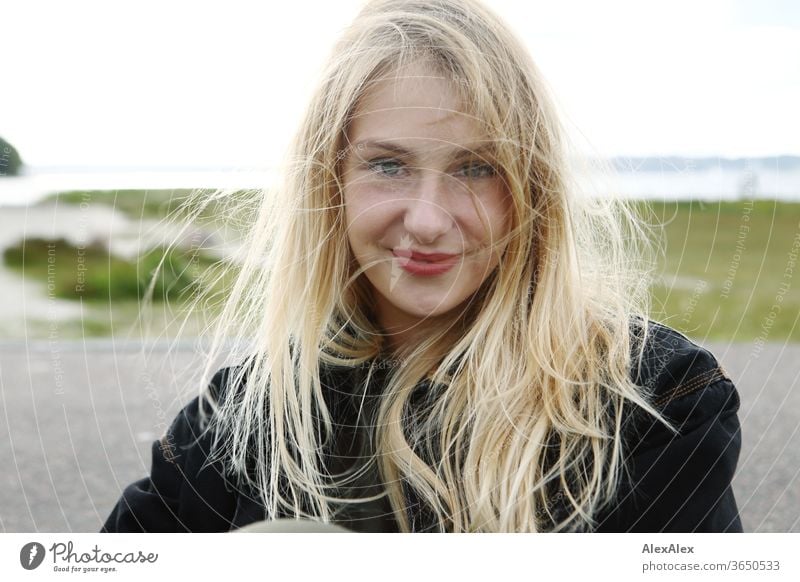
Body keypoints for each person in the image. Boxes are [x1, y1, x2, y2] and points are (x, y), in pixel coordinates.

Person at [101, 0, 743, 533]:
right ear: (332, 182)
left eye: (475, 168)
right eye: (388, 165)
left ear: (530, 188)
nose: (430, 220)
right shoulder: (247, 420)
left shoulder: (655, 402)